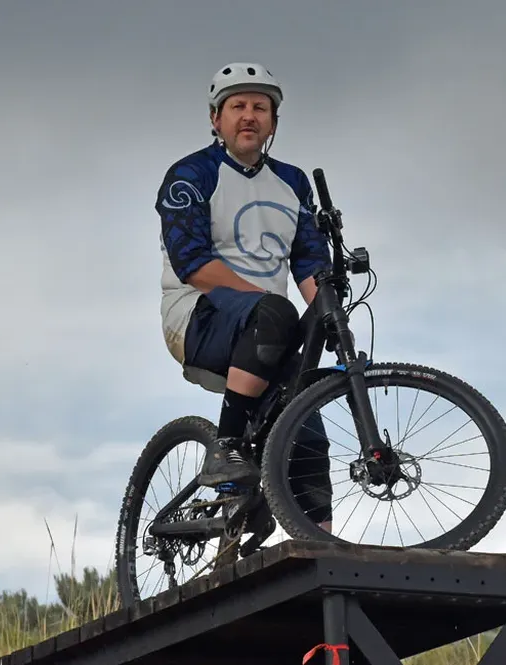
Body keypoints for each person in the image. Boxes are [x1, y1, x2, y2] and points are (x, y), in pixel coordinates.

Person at [155, 62, 333, 529]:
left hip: (267, 327)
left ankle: (323, 553)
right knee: (275, 311)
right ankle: (226, 449)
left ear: (274, 121)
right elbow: (190, 262)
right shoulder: (191, 173)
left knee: (308, 436)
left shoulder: (292, 183)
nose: (249, 115)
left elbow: (310, 262)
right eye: (237, 106)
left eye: (260, 107)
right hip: (197, 316)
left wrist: (328, 312)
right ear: (217, 119)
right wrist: (271, 305)